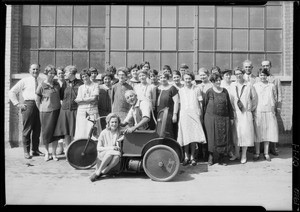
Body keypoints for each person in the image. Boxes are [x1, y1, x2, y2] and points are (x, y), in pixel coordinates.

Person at [8, 63, 45, 159]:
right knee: (27, 129)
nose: (35, 71)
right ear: (29, 70)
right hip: (29, 105)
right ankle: (26, 151)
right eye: (33, 69)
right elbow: (11, 92)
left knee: (37, 129)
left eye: (37, 69)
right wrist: (17, 104)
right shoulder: (24, 80)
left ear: (39, 70)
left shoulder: (42, 81)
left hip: (40, 105)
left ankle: (35, 150)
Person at [203, 73, 234, 166]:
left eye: (219, 80)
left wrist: (231, 117)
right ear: (212, 81)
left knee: (223, 138)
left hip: (224, 118)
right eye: (216, 80)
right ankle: (211, 157)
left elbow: (229, 105)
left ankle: (221, 158)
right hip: (211, 119)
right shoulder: (209, 91)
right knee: (212, 138)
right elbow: (204, 105)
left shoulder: (225, 91)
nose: (218, 82)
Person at [177, 72, 206, 166]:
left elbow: (200, 102)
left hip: (194, 114)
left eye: (189, 78)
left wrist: (200, 113)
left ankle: (193, 157)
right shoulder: (180, 90)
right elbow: (179, 104)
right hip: (184, 115)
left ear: (192, 79)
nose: (188, 80)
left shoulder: (197, 89)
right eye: (186, 79)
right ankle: (186, 157)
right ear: (183, 80)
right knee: (185, 136)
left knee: (193, 136)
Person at [230, 67, 258, 164]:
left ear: (243, 74)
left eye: (240, 73)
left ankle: (244, 155)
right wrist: (233, 111)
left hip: (246, 113)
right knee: (237, 134)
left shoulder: (249, 85)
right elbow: (230, 99)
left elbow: (254, 98)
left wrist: (250, 109)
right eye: (236, 74)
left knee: (245, 134)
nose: (238, 75)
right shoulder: (233, 85)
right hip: (236, 113)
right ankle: (237, 153)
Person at [53, 65, 83, 148]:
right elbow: (62, 96)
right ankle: (67, 150)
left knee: (75, 131)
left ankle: (74, 151)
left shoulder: (80, 84)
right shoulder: (65, 84)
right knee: (66, 131)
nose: (64, 74)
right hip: (65, 110)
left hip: (76, 110)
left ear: (71, 73)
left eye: (66, 72)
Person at [35, 65, 61, 161]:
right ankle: (47, 153)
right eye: (50, 73)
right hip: (45, 112)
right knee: (46, 133)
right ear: (46, 73)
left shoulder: (57, 84)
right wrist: (41, 109)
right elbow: (37, 100)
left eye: (54, 73)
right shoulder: (41, 85)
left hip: (57, 111)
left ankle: (54, 153)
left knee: (55, 133)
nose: (52, 75)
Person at [253, 68, 279, 162]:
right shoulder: (255, 85)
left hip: (268, 111)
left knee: (267, 132)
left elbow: (275, 98)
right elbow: (253, 98)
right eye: (260, 75)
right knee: (258, 132)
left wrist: (273, 109)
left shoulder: (271, 85)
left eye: (264, 75)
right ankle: (256, 153)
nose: (262, 77)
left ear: (267, 76)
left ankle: (266, 153)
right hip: (258, 111)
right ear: (258, 76)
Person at [89, 113, 123, 182]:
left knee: (117, 155)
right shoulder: (103, 133)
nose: (114, 124)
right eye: (112, 122)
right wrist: (111, 148)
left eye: (116, 122)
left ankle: (105, 170)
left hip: (115, 155)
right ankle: (99, 170)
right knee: (111, 153)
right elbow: (98, 148)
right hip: (103, 155)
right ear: (108, 123)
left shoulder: (119, 132)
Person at [261, 60, 282, 156]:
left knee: (272, 128)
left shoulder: (275, 79)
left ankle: (273, 148)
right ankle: (263, 149)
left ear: (270, 66)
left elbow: (279, 95)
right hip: (262, 108)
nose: (265, 67)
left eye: (267, 65)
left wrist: (278, 108)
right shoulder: (259, 79)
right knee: (262, 127)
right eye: (263, 65)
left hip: (272, 108)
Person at [74, 69, 101, 140]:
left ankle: (93, 146)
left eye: (86, 76)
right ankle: (81, 145)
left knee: (92, 128)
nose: (85, 78)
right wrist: (88, 99)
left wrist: (82, 100)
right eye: (83, 77)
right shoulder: (81, 87)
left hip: (92, 111)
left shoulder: (95, 85)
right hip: (82, 112)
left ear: (89, 76)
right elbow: (77, 100)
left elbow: (94, 98)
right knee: (82, 129)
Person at [157, 71, 179, 139]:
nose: (163, 79)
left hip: (168, 114)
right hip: (159, 113)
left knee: (167, 131)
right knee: (159, 131)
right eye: (161, 78)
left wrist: (175, 114)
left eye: (164, 77)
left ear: (168, 78)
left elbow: (176, 102)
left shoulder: (172, 88)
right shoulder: (158, 88)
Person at [55, 66, 67, 155]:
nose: (61, 75)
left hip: (65, 108)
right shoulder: (55, 83)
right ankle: (60, 147)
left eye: (62, 73)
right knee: (58, 127)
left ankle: (66, 147)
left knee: (65, 126)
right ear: (57, 74)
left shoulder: (67, 83)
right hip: (56, 107)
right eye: (59, 73)